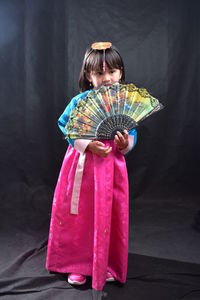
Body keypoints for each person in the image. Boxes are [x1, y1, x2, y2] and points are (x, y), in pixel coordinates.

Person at [46, 42, 137, 291]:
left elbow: (132, 133)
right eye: (99, 73)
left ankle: (105, 260)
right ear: (89, 76)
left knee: (109, 213)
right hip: (82, 168)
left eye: (112, 72)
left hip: (112, 168)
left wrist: (124, 142)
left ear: (121, 73)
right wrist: (87, 144)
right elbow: (65, 125)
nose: (107, 78)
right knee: (81, 214)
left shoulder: (124, 103)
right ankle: (77, 263)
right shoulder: (79, 102)